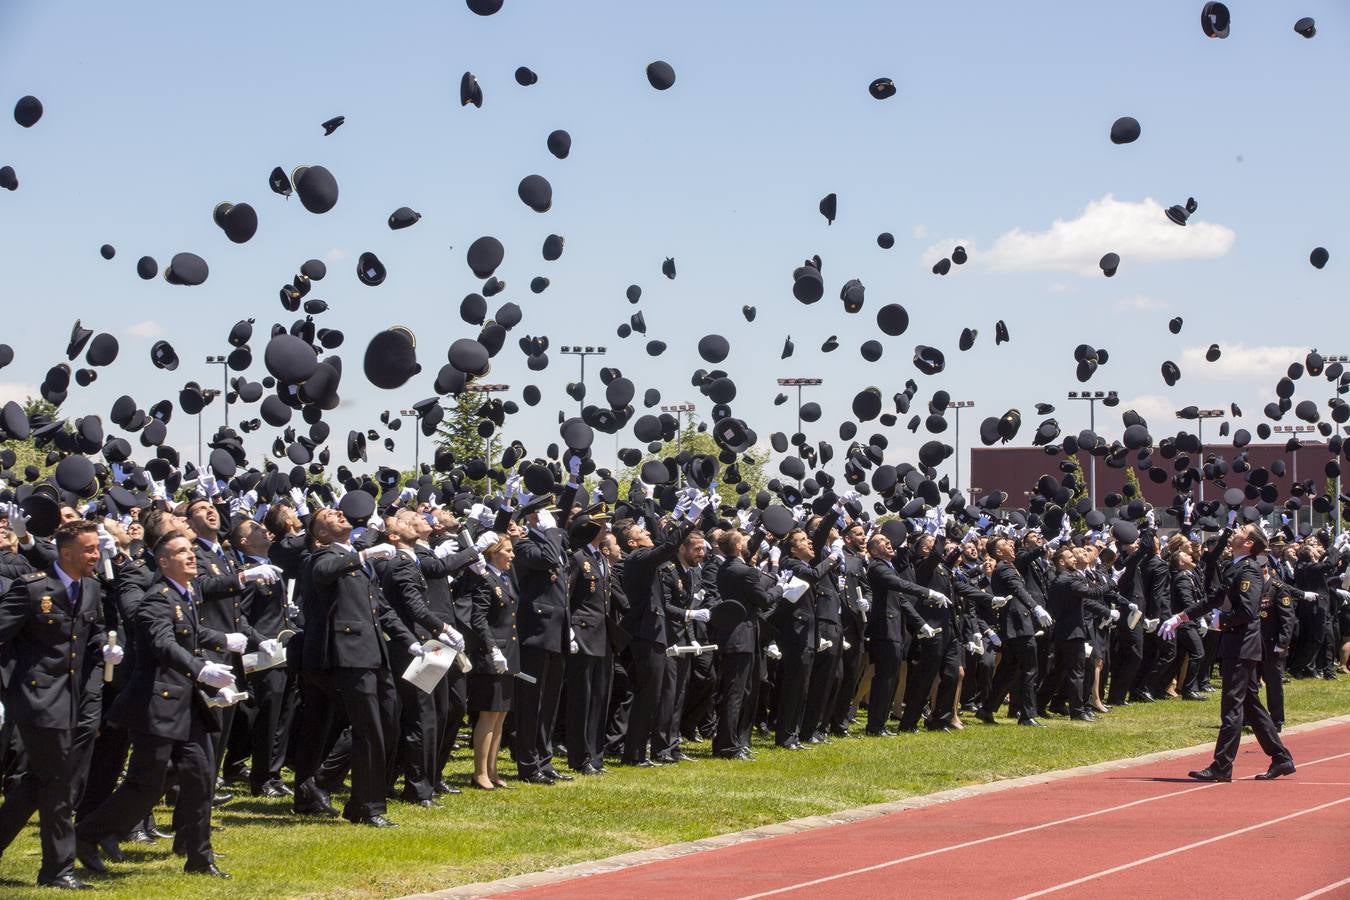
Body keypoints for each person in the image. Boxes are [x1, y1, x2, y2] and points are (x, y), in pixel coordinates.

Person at [76, 532, 250, 879]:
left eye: (191, 550)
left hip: (185, 704)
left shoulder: (186, 594)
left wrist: (220, 640)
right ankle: (85, 835)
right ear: (164, 562)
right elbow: (163, 642)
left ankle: (200, 858)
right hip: (156, 703)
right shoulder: (157, 599)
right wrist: (202, 669)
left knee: (201, 778)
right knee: (145, 785)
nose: (192, 556)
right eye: (182, 552)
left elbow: (190, 632)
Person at [0, 521, 118, 890]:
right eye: (88, 550)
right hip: (37, 699)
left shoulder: (92, 587)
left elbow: (92, 629)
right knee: (58, 784)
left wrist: (105, 647)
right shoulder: (33, 589)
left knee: (38, 783)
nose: (95, 556)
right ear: (65, 553)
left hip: (73, 699)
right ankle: (57, 869)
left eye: (96, 549)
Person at [290, 507, 420, 826]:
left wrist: (409, 641)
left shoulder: (359, 560)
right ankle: (366, 806)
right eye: (330, 516)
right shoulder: (322, 556)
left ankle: (320, 782)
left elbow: (381, 608)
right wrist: (364, 556)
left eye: (339, 512)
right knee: (369, 729)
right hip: (349, 652)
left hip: (374, 650)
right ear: (320, 533)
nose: (339, 514)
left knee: (387, 722)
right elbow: (323, 572)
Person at [1161, 525, 1296, 782]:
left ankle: (1222, 765)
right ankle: (1281, 758)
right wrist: (1180, 617)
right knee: (1251, 706)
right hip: (1239, 645)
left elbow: (1247, 611)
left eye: (1242, 530)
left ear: (1248, 543)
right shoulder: (1235, 567)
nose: (1235, 531)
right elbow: (1213, 599)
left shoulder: (1249, 570)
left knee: (1232, 708)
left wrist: (1221, 621)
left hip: (1242, 645)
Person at [466, 535, 519, 791]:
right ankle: (479, 772)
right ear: (493, 553)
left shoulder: (505, 578)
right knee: (488, 714)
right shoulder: (485, 579)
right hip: (491, 654)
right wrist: (492, 648)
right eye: (507, 551)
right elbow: (479, 619)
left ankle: (492, 769)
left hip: (508, 652)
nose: (512, 555)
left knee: (500, 715)